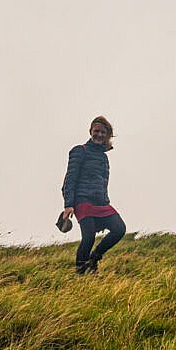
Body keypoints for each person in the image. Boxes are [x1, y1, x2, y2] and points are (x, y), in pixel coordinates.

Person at [60, 116, 126, 274]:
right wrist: (68, 204)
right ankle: (81, 272)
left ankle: (94, 258)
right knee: (88, 237)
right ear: (90, 131)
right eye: (96, 131)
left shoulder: (103, 157)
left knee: (119, 228)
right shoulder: (79, 150)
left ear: (107, 135)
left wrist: (105, 200)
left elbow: (102, 183)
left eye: (103, 132)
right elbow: (70, 178)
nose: (99, 135)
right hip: (82, 201)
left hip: (101, 203)